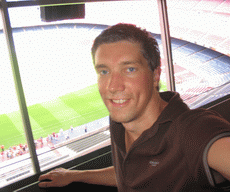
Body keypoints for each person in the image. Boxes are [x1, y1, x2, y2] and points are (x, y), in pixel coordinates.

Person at [39, 23, 230, 191]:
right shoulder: (118, 121)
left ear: (156, 74)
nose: (113, 87)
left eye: (129, 69)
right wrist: (75, 175)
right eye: (104, 71)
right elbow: (130, 175)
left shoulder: (192, 130)